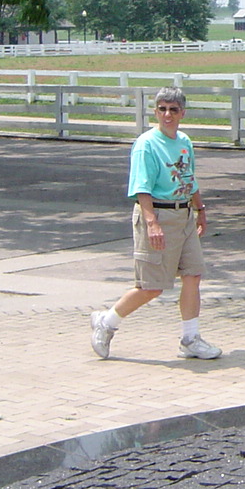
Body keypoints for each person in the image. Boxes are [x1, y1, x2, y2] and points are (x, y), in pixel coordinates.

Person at [89, 87, 222, 361]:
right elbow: (142, 187)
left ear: (183, 113)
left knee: (193, 274)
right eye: (162, 109)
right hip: (158, 215)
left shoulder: (184, 141)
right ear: (155, 112)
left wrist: (200, 209)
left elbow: (189, 178)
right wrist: (152, 223)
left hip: (184, 215)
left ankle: (190, 339)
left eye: (173, 109)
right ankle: (107, 322)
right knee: (152, 286)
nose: (167, 115)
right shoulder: (146, 144)